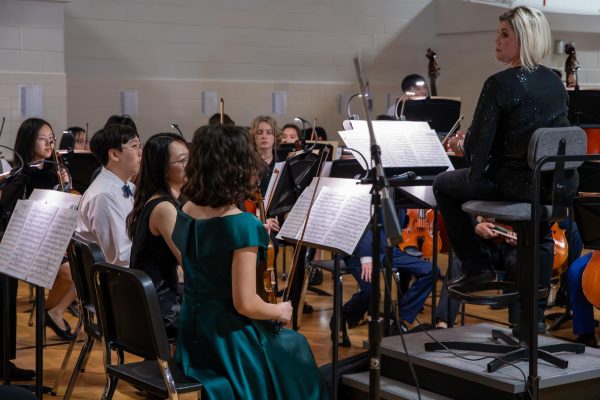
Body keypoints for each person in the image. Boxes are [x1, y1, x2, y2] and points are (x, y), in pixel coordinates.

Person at [173, 123, 328, 399]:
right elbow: (245, 303)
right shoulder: (242, 225)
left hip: (192, 327)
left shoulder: (185, 208)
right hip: (227, 338)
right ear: (239, 166)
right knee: (297, 346)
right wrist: (279, 310)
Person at [433, 6, 573, 286]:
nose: (497, 40)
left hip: (508, 185)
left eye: (504, 34)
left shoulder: (499, 83)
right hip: (547, 186)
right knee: (540, 233)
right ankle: (536, 315)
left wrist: (464, 147)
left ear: (524, 39)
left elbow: (477, 153)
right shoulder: (555, 83)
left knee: (443, 184)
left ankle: (476, 268)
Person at [0, 118, 72, 379]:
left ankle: (6, 362)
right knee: (5, 297)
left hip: (47, 241)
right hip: (20, 244)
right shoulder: (21, 175)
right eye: (44, 138)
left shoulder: (53, 171)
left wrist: (64, 184)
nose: (50, 142)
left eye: (52, 137)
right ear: (29, 141)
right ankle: (4, 363)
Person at [128, 133, 188, 338]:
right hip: (161, 310)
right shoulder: (164, 207)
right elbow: (189, 261)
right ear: (163, 170)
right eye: (182, 161)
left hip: (156, 299)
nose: (190, 165)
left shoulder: (168, 199)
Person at [338, 210, 438, 333]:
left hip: (388, 249)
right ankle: (343, 315)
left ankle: (397, 318)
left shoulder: (396, 192)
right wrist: (366, 256)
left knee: (431, 271)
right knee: (371, 294)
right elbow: (357, 222)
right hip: (359, 252)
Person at [77, 123, 141, 267]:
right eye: (134, 146)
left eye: (140, 146)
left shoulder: (128, 186)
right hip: (118, 280)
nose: (140, 152)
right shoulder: (104, 196)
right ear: (114, 154)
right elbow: (121, 257)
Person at [250, 115, 281, 196]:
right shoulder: (248, 163)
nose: (264, 136)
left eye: (269, 132)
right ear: (254, 137)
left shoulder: (282, 163)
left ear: (275, 136)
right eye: (259, 133)